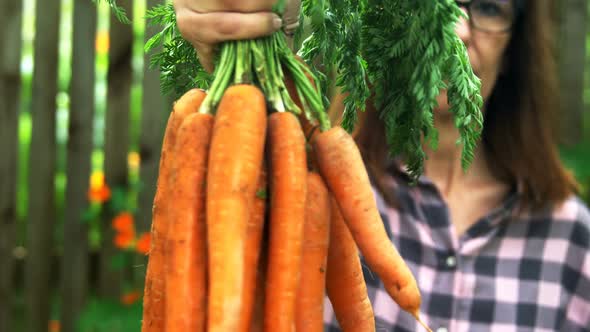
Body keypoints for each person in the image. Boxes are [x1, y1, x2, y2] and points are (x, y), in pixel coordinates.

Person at [173, 0, 590, 331]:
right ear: (384, 29)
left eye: (487, 8)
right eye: (431, 6)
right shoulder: (300, 184)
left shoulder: (573, 240)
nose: (457, 29)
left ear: (516, 47)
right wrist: (240, 38)